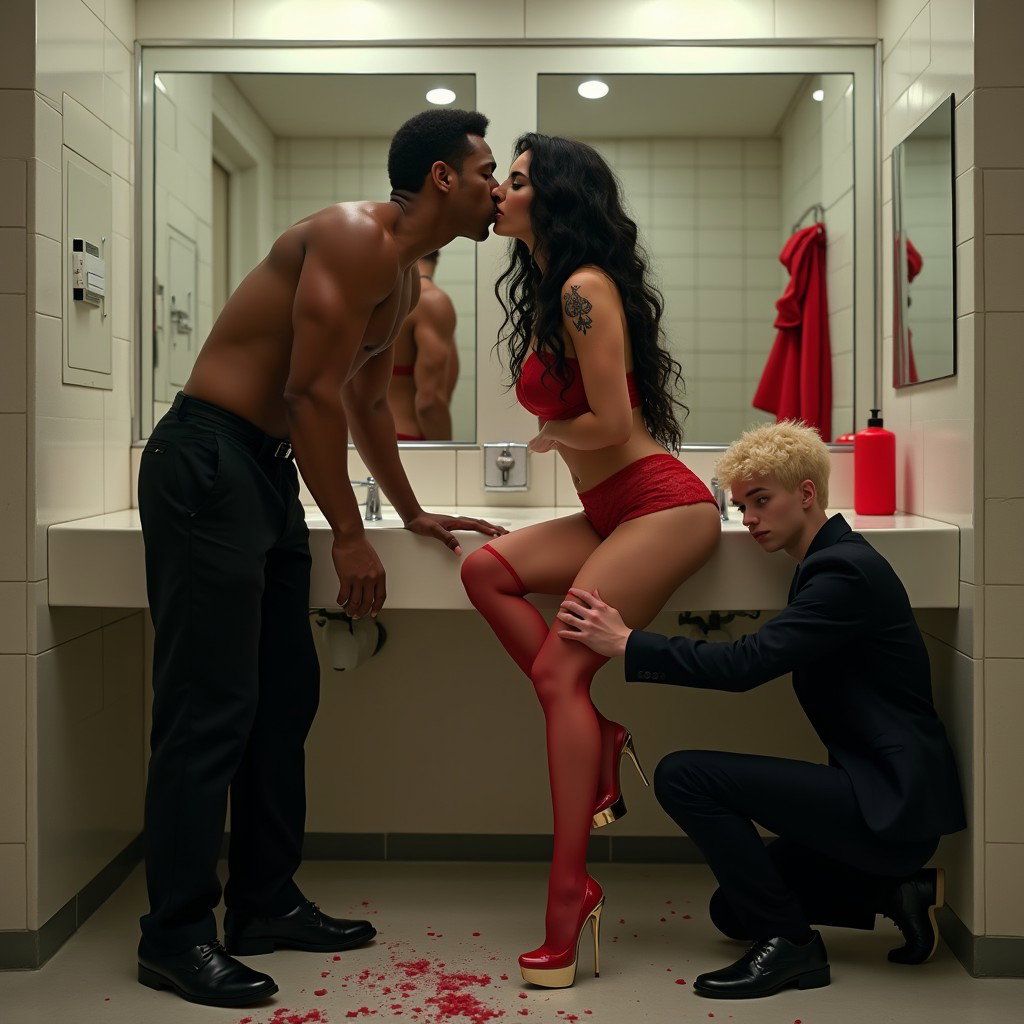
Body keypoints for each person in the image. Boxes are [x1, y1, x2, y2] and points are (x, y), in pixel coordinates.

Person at [136, 108, 507, 1008]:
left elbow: (369, 404)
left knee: (282, 695)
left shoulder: (409, 287)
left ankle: (262, 903)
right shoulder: (351, 237)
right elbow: (307, 393)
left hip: (258, 475)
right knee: (209, 705)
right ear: (442, 178)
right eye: (489, 169)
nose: (501, 188)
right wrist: (347, 532)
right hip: (208, 460)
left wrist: (411, 513)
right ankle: (175, 936)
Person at [556, 420, 966, 1000]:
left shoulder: (844, 573)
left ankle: (795, 948)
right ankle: (896, 893)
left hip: (890, 804)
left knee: (683, 775)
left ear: (806, 494)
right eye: (740, 503)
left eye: (761, 500)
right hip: (880, 798)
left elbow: (745, 665)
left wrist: (628, 642)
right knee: (732, 910)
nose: (747, 518)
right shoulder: (829, 561)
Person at [461, 133, 721, 989]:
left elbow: (611, 423)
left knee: (557, 678)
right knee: (485, 570)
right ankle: (598, 730)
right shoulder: (549, 289)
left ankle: (567, 897)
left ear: (557, 198)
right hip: (608, 510)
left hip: (662, 504)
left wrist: (548, 433)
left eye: (520, 181)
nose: (501, 190)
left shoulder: (582, 287)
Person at [388, 249, 461, 441]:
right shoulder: (430, 301)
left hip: (367, 442)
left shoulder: (372, 297)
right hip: (410, 441)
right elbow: (429, 402)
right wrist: (446, 452)